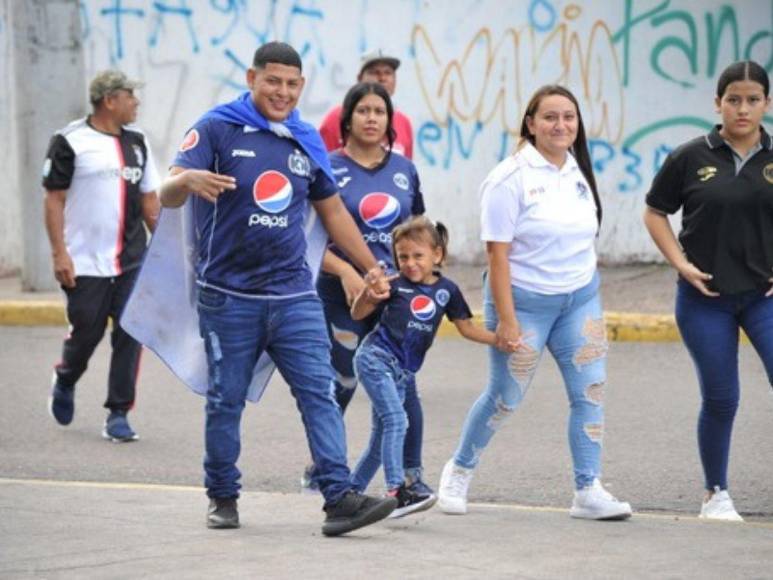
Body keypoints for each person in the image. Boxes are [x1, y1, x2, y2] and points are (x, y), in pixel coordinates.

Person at [158, 41, 397, 536]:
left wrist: (370, 266)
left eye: (291, 84)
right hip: (229, 296)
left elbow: (333, 211)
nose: (282, 92)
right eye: (272, 81)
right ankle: (223, 495)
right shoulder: (217, 127)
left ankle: (339, 498)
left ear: (301, 86)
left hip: (294, 296)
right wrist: (186, 181)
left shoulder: (304, 139)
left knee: (320, 394)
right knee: (225, 400)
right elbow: (168, 191)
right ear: (252, 79)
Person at [437, 85, 632, 521]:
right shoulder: (509, 179)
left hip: (579, 301)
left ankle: (588, 490)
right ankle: (459, 470)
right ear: (531, 123)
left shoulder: (576, 168)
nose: (561, 125)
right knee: (505, 396)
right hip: (524, 305)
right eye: (550, 117)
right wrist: (506, 320)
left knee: (590, 393)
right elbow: (497, 255)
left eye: (569, 117)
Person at [643, 60, 773, 522]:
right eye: (733, 100)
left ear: (767, 104)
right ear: (718, 103)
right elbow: (655, 212)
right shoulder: (690, 156)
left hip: (763, 298)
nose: (743, 109)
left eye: (753, 100)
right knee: (722, 398)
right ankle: (715, 493)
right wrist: (680, 263)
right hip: (705, 301)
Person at [301, 81, 433, 497]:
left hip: (393, 295)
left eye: (379, 111)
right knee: (340, 383)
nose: (371, 118)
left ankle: (411, 479)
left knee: (403, 384)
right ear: (347, 119)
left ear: (390, 120)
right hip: (340, 292)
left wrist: (423, 280)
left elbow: (418, 233)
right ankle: (325, 470)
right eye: (363, 111)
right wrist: (346, 271)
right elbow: (305, 239)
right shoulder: (325, 167)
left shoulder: (405, 170)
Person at [350, 216, 510, 517]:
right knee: (397, 420)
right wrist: (368, 293)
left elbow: (466, 327)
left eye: (418, 256)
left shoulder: (447, 291)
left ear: (437, 255)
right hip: (375, 359)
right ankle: (397, 491)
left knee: (381, 438)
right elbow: (358, 314)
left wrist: (499, 340)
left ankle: (350, 494)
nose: (410, 263)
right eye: (403, 257)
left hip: (402, 372)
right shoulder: (393, 285)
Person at [43, 70, 160, 442]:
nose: (136, 102)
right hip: (84, 262)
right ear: (110, 100)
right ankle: (66, 378)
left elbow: (151, 202)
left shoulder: (138, 142)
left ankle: (118, 413)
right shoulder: (69, 141)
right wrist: (60, 254)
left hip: (132, 260)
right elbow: (54, 199)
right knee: (87, 333)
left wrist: (167, 252)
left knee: (130, 331)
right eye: (130, 95)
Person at [319, 48, 413, 158]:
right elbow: (323, 163)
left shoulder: (403, 122)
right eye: (374, 72)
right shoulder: (336, 118)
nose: (382, 78)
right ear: (360, 78)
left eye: (388, 73)